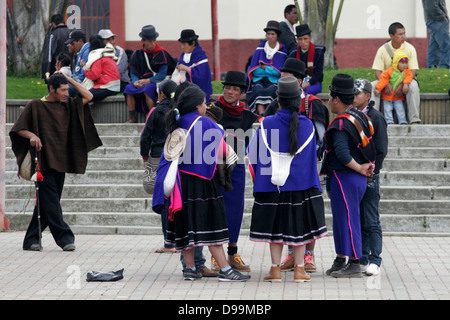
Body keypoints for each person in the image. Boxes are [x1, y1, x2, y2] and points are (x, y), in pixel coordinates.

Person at [152, 85, 251, 282]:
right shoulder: (206, 124)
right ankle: (225, 270)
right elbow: (226, 153)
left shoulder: (176, 123)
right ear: (197, 106)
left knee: (186, 225)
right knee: (211, 227)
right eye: (205, 103)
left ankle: (189, 269)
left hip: (180, 186)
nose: (207, 106)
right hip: (203, 183)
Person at [9, 73, 102, 252]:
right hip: (43, 163)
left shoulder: (68, 105)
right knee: (51, 202)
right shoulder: (36, 105)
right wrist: (32, 135)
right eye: (63, 90)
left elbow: (89, 96)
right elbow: (18, 129)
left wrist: (69, 79)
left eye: (68, 90)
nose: (67, 93)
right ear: (52, 89)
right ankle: (65, 237)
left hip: (62, 161)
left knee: (47, 203)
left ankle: (31, 240)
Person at [248, 76, 328, 282]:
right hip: (300, 184)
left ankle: (275, 270)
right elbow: (312, 159)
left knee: (275, 229)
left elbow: (254, 155)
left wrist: (260, 180)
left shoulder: (266, 124)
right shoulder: (308, 126)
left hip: (272, 185)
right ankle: (300, 270)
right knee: (299, 228)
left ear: (278, 100)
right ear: (297, 100)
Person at [320, 73, 376, 278]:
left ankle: (355, 262)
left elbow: (343, 155)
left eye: (329, 96)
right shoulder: (360, 115)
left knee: (349, 219)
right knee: (342, 219)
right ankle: (341, 257)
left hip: (347, 176)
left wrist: (361, 168)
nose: (328, 100)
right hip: (351, 177)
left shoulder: (341, 124)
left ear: (335, 99)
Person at [210, 71, 258, 273]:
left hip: (236, 166)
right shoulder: (212, 109)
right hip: (213, 165)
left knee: (235, 210)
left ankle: (232, 252)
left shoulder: (248, 116)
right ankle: (215, 257)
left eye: (235, 89)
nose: (230, 91)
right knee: (216, 210)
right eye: (227, 87)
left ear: (242, 93)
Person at [353, 78, 388, 277]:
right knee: (358, 218)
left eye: (357, 93)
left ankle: (375, 259)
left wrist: (372, 173)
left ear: (368, 96)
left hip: (370, 176)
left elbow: (381, 149)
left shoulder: (376, 117)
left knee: (371, 219)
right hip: (355, 174)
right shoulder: (351, 116)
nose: (353, 97)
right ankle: (362, 257)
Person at [124, 25, 176, 123]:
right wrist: (136, 82)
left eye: (154, 40)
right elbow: (133, 72)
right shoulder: (137, 54)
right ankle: (132, 116)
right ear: (143, 41)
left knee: (147, 89)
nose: (152, 44)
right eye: (149, 41)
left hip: (155, 81)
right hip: (141, 82)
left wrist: (148, 81)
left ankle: (151, 115)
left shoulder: (162, 53)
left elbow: (162, 74)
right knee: (128, 89)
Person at [371, 22, 421, 124]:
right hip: (386, 81)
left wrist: (403, 84)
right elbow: (378, 71)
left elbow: (412, 70)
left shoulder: (410, 48)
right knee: (372, 86)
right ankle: (373, 121)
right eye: (400, 34)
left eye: (404, 33)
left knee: (414, 86)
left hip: (405, 80)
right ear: (391, 36)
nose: (404, 37)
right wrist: (385, 84)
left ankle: (414, 119)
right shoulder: (382, 50)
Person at [246, 20, 288, 115]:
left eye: (273, 34)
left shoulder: (282, 50)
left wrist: (265, 68)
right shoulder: (260, 48)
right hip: (259, 79)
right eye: (268, 34)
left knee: (271, 91)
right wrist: (270, 68)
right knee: (258, 90)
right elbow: (255, 71)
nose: (270, 36)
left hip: (274, 81)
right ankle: (261, 115)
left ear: (277, 35)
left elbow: (279, 72)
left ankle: (268, 115)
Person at [174, 29, 213, 103]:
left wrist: (188, 69)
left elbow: (202, 77)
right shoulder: (183, 55)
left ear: (193, 43)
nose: (182, 47)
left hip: (194, 90)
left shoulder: (201, 57)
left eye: (184, 44)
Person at [375, 49, 412, 124]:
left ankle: (402, 121)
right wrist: (378, 89)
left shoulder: (407, 72)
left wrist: (406, 84)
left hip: (398, 96)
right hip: (387, 95)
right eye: (402, 63)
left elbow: (408, 78)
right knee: (387, 109)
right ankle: (389, 121)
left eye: (405, 63)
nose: (404, 65)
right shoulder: (389, 71)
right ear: (396, 63)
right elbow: (383, 80)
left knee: (400, 108)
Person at [81, 35, 121, 102]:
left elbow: (94, 75)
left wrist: (85, 70)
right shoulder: (107, 55)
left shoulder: (97, 56)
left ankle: (74, 112)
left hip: (107, 87)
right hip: (114, 86)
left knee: (83, 96)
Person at [289, 24, 325, 96]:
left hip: (313, 83)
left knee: (304, 93)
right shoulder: (293, 53)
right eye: (300, 39)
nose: (303, 42)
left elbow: (318, 73)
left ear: (310, 38)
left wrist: (305, 85)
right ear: (297, 40)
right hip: (297, 83)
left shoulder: (319, 51)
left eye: (305, 39)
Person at [41, 14, 70, 82]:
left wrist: (46, 72)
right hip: (70, 69)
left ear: (53, 23)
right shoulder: (71, 33)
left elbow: (48, 54)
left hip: (56, 69)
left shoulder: (53, 35)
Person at [422, 0, 450, 69]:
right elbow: (431, 7)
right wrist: (443, 17)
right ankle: (445, 67)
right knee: (446, 46)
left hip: (434, 21)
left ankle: (432, 68)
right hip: (437, 21)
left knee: (434, 46)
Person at [65, 29, 90, 97]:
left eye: (72, 43)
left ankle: (64, 107)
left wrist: (69, 81)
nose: (70, 45)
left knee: (65, 89)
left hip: (85, 84)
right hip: (79, 82)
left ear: (80, 41)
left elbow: (83, 76)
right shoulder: (80, 52)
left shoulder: (86, 52)